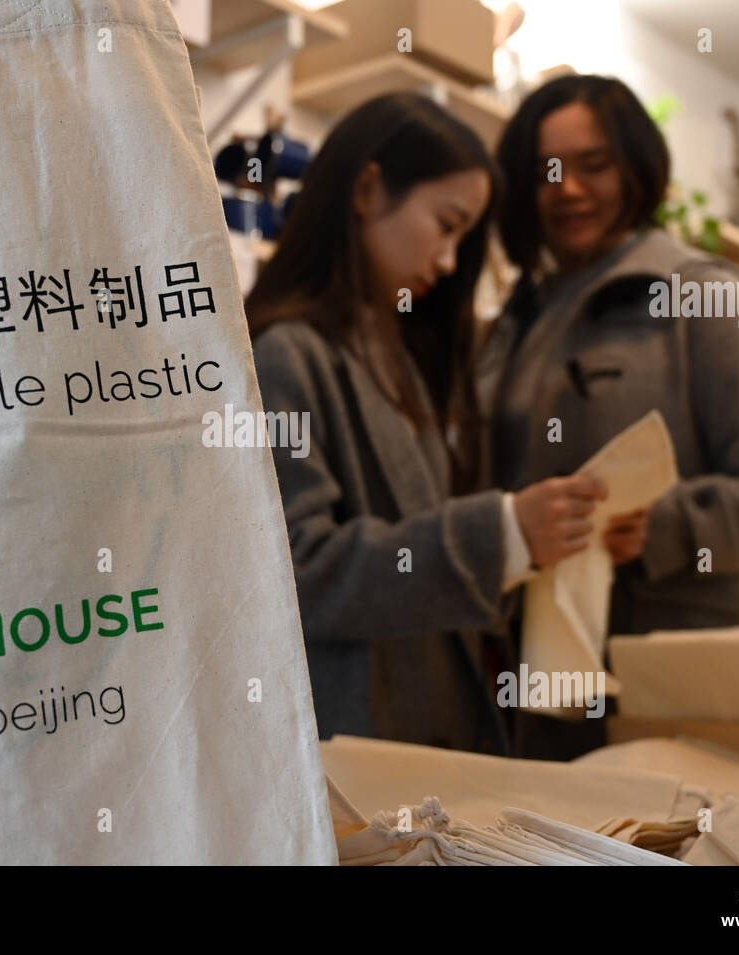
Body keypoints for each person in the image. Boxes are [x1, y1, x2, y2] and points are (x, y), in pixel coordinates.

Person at [247, 93, 607, 753]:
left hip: (425, 730)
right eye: (446, 225)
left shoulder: (398, 353)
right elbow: (298, 569)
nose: (447, 262)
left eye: (462, 238)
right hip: (355, 746)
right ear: (367, 187)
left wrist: (537, 541)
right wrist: (501, 531)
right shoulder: (284, 354)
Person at [487, 74, 739, 755]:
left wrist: (665, 524)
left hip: (671, 679)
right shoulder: (512, 322)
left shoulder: (704, 295)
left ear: (637, 168)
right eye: (548, 170)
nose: (569, 189)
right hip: (536, 681)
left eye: (595, 165)